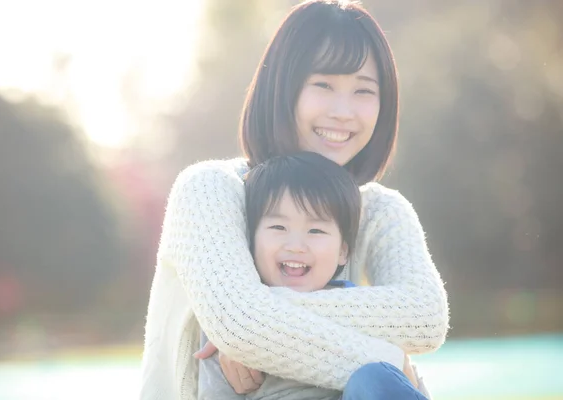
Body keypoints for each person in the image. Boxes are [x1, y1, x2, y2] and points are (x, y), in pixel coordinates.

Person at [139, 1, 449, 400]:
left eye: (363, 90)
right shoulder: (209, 190)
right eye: (323, 85)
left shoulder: (380, 211)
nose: (343, 111)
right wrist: (387, 356)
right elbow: (243, 326)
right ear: (283, 87)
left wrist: (269, 322)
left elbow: (425, 319)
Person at [198, 151, 430, 399]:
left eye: (316, 230)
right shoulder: (236, 319)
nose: (296, 245)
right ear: (251, 241)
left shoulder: (366, 314)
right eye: (278, 227)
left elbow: (408, 387)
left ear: (343, 251)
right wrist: (244, 335)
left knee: (373, 378)